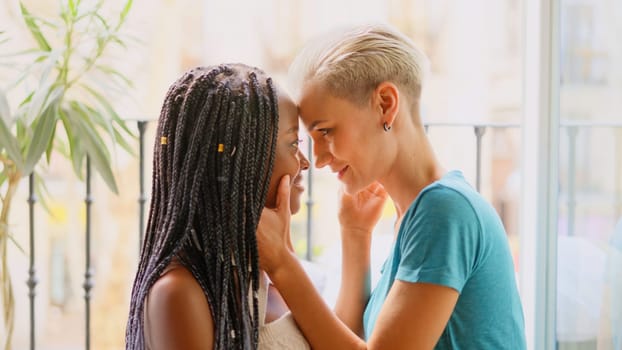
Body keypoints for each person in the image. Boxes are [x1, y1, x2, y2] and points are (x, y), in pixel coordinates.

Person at [257, 24, 526, 349]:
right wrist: (355, 234)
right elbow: (348, 338)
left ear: (385, 104)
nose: (319, 160)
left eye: (326, 132)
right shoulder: (418, 213)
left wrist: (282, 263)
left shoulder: (445, 210)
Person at [125, 64, 311, 349]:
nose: (305, 162)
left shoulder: (263, 264)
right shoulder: (180, 293)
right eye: (293, 143)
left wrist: (354, 232)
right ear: (239, 161)